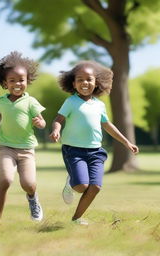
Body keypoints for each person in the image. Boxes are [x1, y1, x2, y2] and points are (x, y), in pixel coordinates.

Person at [49, 60, 139, 225]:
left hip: (96, 151)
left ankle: (76, 219)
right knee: (82, 186)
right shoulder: (71, 102)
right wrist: (56, 130)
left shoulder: (99, 105)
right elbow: (58, 119)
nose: (85, 83)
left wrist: (127, 142)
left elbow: (107, 125)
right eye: (80, 79)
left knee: (95, 187)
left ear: (96, 82)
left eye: (89, 79)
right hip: (74, 150)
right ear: (74, 83)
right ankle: (71, 182)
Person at [0, 51, 46, 221]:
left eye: (21, 80)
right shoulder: (1, 101)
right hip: (6, 147)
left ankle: (32, 198)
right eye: (12, 80)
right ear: (5, 83)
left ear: (27, 81)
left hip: (27, 149)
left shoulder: (31, 102)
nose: (17, 84)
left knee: (28, 184)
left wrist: (39, 122)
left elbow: (43, 122)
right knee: (6, 180)